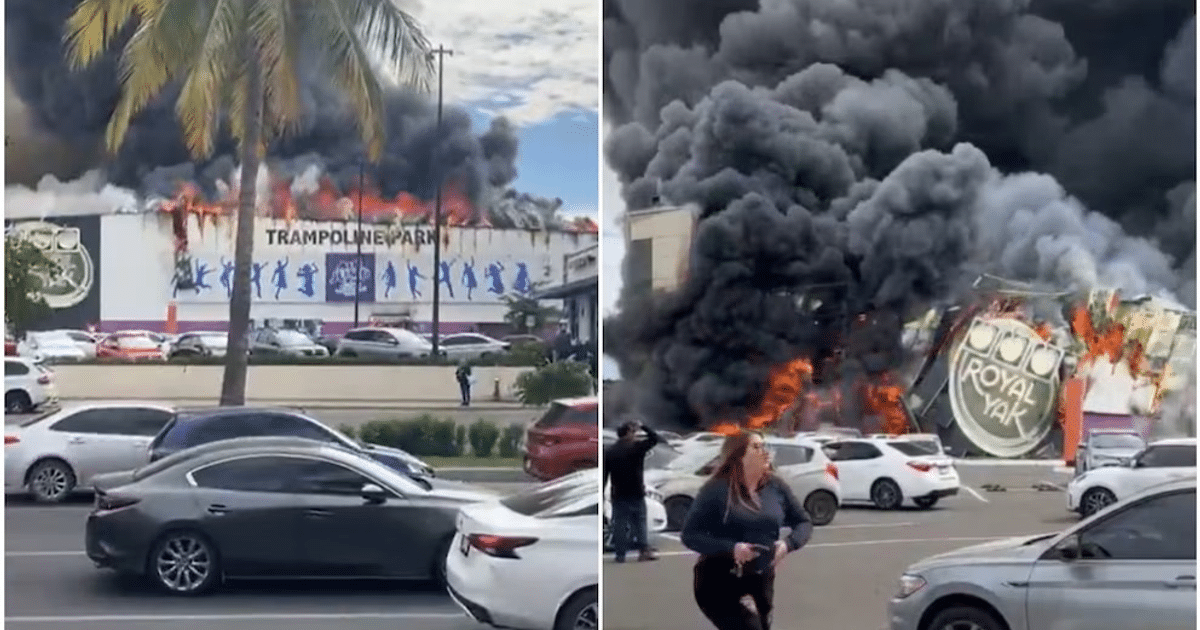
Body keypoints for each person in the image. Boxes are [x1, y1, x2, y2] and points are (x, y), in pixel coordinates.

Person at [680, 431, 813, 630]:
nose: (765, 452)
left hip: (761, 579)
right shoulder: (716, 490)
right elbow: (689, 535)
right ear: (739, 455)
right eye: (756, 447)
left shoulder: (775, 487)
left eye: (764, 446)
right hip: (718, 582)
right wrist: (731, 549)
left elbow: (804, 522)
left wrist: (788, 544)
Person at [602, 419, 661, 563]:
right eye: (634, 432)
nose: (635, 435)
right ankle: (643, 551)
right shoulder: (637, 448)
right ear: (628, 433)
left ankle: (620, 554)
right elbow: (655, 438)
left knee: (619, 525)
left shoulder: (609, 451)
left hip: (619, 494)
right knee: (640, 523)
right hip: (636, 493)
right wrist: (643, 426)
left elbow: (604, 475)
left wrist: (602, 494)